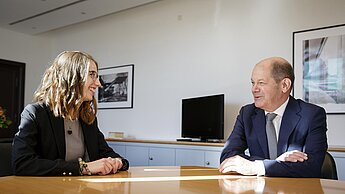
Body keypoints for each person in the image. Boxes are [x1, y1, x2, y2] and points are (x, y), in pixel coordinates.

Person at [12, 51, 129, 176]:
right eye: (92, 75)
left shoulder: (88, 118)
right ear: (71, 77)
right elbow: (22, 164)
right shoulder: (35, 113)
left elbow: (106, 153)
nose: (99, 83)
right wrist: (83, 168)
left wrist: (118, 162)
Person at [219, 57, 328, 177]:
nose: (254, 89)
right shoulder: (247, 114)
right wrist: (275, 163)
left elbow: (312, 167)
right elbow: (228, 157)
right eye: (252, 83)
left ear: (285, 85)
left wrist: (258, 167)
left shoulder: (312, 115)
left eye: (261, 83)